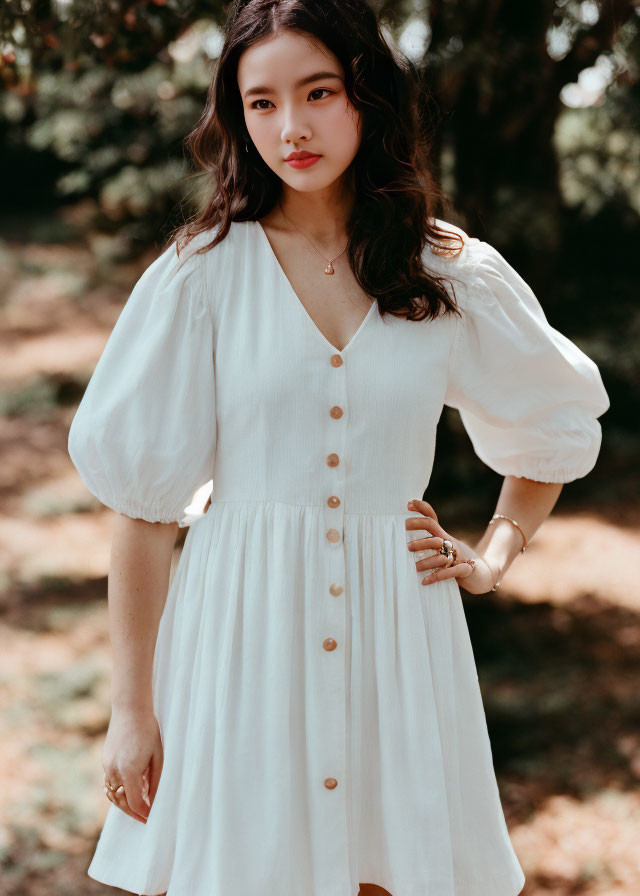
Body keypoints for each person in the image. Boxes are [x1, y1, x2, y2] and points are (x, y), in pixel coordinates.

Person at [67, 1, 610, 895]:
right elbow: (142, 507)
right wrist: (133, 710)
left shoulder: (449, 272)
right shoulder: (201, 274)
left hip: (401, 633)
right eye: (262, 103)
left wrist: (492, 557)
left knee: (388, 875)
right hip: (240, 632)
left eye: (318, 92)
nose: (293, 127)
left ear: (367, 95)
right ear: (238, 118)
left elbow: (551, 427)